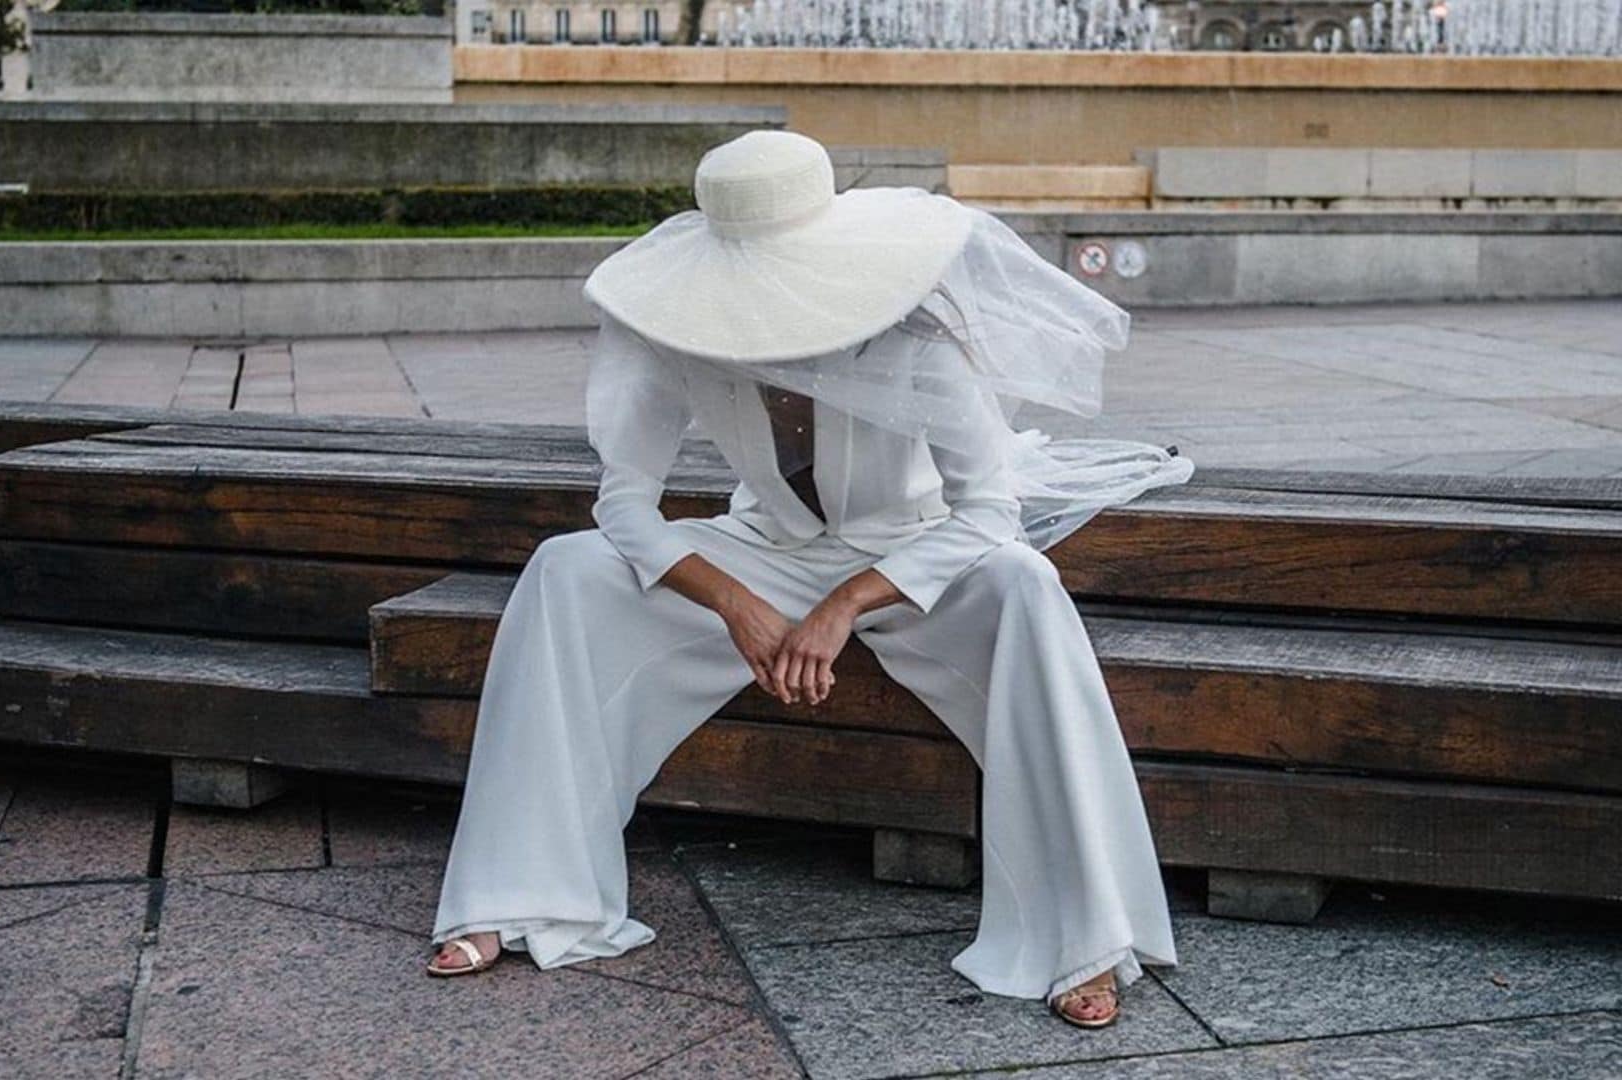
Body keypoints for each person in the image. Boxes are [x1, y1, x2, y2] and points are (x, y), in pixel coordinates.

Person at [423, 129, 1191, 1030]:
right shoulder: (672, 326)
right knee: (566, 570)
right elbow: (624, 506)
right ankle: (521, 895)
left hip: (913, 553)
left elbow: (988, 512)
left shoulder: (913, 341)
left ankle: (1082, 938)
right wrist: (737, 605)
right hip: (767, 549)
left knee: (1024, 584)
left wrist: (846, 603)